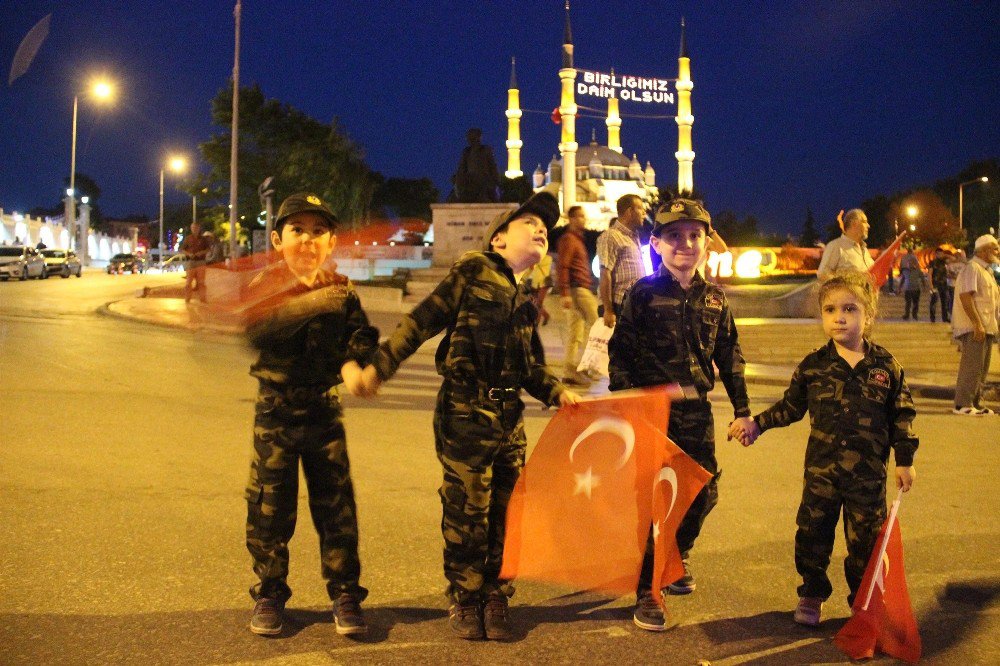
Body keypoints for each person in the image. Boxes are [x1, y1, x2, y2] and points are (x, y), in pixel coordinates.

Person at [356, 190, 580, 641]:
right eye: (528, 224)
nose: (541, 230)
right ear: (498, 239)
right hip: (466, 411)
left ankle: (497, 593)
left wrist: (558, 393)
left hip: (509, 420)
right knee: (466, 512)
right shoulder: (473, 270)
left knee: (506, 512)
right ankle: (465, 595)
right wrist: (379, 368)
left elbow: (530, 367)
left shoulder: (523, 295)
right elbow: (422, 319)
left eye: (545, 229)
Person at [730, 271, 918, 626]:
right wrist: (756, 424)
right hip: (821, 474)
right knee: (813, 534)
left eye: (850, 308)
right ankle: (812, 593)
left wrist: (905, 460)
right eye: (830, 309)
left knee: (865, 544)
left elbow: (901, 416)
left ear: (869, 314)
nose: (839, 316)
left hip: (867, 477)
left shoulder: (886, 368)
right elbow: (790, 407)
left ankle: (862, 603)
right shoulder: (813, 366)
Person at [608, 197, 754, 631]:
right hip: (652, 412)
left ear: (707, 243)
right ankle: (647, 592)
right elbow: (620, 355)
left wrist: (744, 410)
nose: (685, 244)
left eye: (694, 236)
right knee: (652, 502)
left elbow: (730, 356)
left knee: (702, 492)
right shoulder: (643, 294)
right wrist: (629, 402)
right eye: (674, 236)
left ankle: (674, 554)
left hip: (696, 413)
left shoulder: (714, 299)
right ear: (656, 244)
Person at [241, 193, 379, 637]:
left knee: (337, 508)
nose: (308, 239)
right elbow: (260, 328)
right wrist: (309, 303)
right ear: (278, 239)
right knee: (270, 506)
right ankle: (270, 591)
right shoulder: (265, 284)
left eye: (319, 231)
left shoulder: (342, 289)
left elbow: (359, 337)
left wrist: (355, 365)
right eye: (298, 230)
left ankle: (344, 593)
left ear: (331, 242)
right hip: (276, 412)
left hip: (323, 412)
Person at [950, 234, 1000, 415]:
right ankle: (962, 404)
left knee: (981, 368)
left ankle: (975, 403)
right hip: (975, 327)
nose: (997, 251)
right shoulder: (973, 268)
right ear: (984, 251)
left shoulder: (987, 271)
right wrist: (977, 323)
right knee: (972, 367)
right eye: (994, 248)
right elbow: (966, 296)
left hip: (987, 327)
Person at [557, 205, 600, 385]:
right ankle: (587, 366)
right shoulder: (569, 239)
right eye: (580, 217)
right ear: (572, 219)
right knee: (598, 325)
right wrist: (565, 293)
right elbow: (563, 266)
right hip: (577, 290)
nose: (584, 220)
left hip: (579, 289)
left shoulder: (576, 239)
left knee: (576, 331)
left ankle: (572, 370)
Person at [597, 194, 647, 328]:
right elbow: (605, 273)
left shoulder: (633, 237)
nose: (644, 213)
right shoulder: (611, 236)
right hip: (619, 306)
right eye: (640, 208)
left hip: (635, 305)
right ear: (630, 211)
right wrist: (608, 310)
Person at [816, 209, 873, 281]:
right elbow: (822, 274)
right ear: (854, 224)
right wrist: (847, 283)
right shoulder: (836, 246)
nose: (868, 226)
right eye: (864, 222)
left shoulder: (864, 249)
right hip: (849, 292)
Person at [180, 220, 210, 302]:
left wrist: (201, 253)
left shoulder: (204, 239)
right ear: (191, 228)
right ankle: (187, 298)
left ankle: (203, 298)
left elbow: (208, 249)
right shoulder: (188, 238)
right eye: (193, 228)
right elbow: (182, 249)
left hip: (201, 262)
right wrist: (189, 254)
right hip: (191, 262)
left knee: (201, 282)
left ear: (199, 228)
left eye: (196, 228)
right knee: (188, 282)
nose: (194, 229)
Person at [523, 252, 553, 326]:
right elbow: (528, 270)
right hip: (534, 283)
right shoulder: (533, 259)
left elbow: (543, 268)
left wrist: (534, 261)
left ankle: (536, 322)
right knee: (534, 302)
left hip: (544, 283)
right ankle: (546, 316)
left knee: (539, 303)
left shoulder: (548, 258)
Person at [896, 249, 925, 320]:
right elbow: (902, 280)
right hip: (908, 289)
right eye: (909, 263)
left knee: (915, 303)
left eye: (912, 263)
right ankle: (907, 315)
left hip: (916, 289)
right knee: (908, 303)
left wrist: (924, 286)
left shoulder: (918, 271)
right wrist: (899, 288)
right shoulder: (905, 271)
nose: (909, 264)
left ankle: (915, 315)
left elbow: (922, 279)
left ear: (915, 263)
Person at [928, 248, 952, 323]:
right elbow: (930, 274)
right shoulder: (932, 262)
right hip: (935, 284)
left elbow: (953, 258)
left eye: (941, 254)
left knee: (944, 302)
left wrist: (946, 255)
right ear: (936, 254)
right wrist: (930, 284)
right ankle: (932, 318)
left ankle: (945, 318)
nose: (940, 255)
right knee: (934, 301)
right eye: (939, 254)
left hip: (944, 285)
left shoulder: (944, 262)